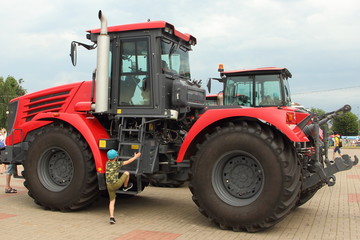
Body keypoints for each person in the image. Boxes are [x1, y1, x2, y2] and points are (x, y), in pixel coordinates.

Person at [106, 149, 141, 224]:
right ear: (115, 158)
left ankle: (111, 217)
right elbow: (128, 162)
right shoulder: (117, 164)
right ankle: (125, 187)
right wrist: (135, 157)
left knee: (112, 201)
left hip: (109, 186)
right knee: (127, 173)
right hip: (116, 184)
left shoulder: (107, 163)